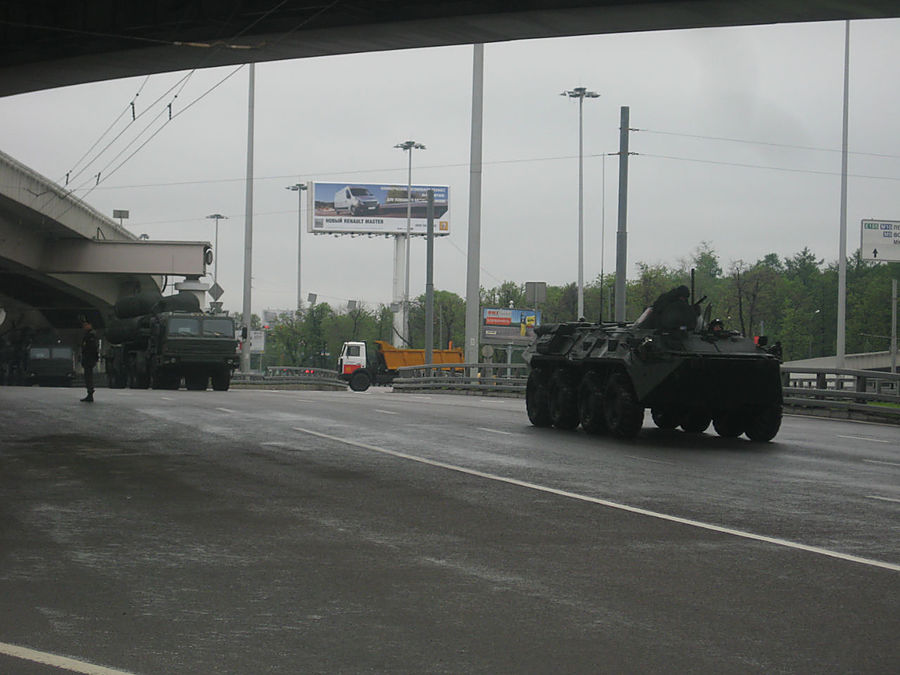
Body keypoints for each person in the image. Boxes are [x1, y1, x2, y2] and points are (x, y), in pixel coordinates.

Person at [80, 317, 99, 402]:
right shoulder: (88, 334)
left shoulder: (91, 335)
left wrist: (93, 358)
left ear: (90, 325)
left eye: (85, 325)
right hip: (87, 359)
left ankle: (90, 394)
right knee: (87, 377)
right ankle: (89, 393)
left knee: (88, 377)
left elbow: (92, 348)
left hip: (89, 359)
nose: (84, 327)